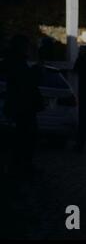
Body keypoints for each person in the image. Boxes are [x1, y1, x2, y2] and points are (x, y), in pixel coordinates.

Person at [3, 35, 44, 176]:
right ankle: (20, 167)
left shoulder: (15, 61)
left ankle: (22, 166)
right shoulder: (16, 62)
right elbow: (24, 81)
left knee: (26, 138)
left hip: (22, 106)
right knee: (24, 138)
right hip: (22, 106)